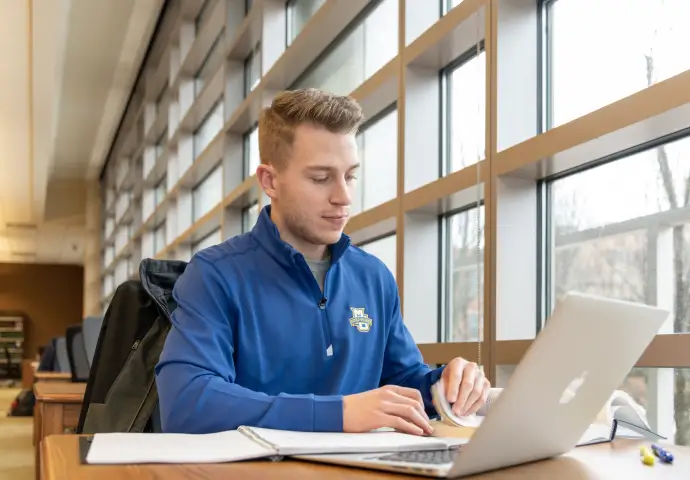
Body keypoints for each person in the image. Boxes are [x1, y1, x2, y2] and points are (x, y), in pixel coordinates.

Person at [155, 88, 491, 435]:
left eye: (350, 175)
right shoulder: (214, 275)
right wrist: (338, 414)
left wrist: (446, 386)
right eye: (321, 178)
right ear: (270, 181)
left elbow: (404, 382)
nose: (343, 197)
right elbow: (186, 403)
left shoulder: (374, 277)